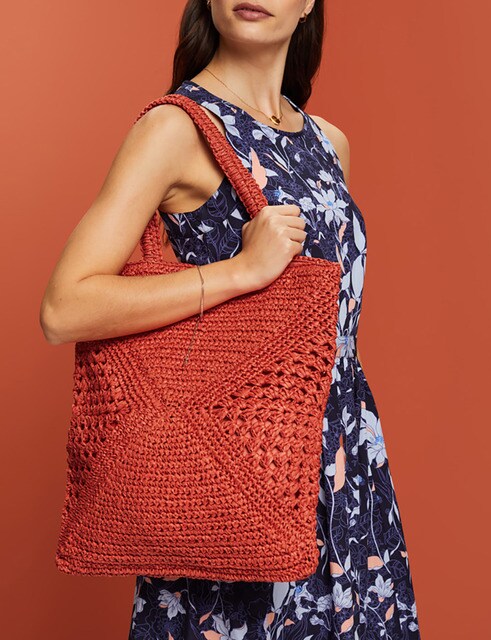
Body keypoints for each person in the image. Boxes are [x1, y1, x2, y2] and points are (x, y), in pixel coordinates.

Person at [40, 1, 422, 638]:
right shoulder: (175, 128)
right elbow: (63, 307)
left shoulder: (329, 143)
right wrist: (239, 272)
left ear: (308, 4)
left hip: (345, 466)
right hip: (237, 467)